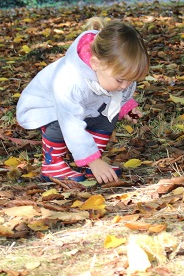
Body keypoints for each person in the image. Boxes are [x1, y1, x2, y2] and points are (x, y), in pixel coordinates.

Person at [16, 18, 150, 184]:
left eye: (131, 80)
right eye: (121, 80)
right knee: (60, 121)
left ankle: (92, 160)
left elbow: (117, 93)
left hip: (82, 106)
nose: (125, 86)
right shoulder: (70, 80)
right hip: (45, 107)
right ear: (95, 64)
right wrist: (92, 160)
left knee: (110, 112)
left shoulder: (113, 73)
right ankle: (53, 164)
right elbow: (70, 122)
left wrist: (126, 106)